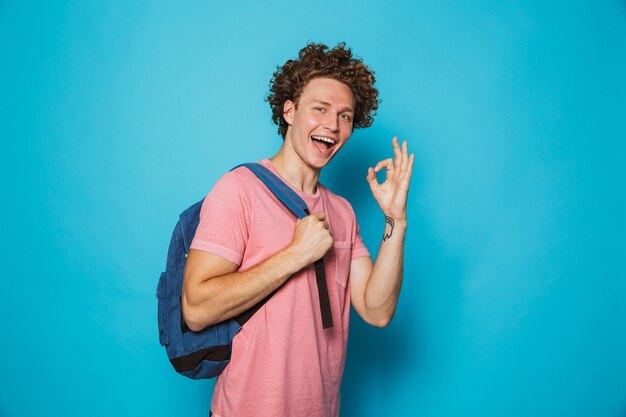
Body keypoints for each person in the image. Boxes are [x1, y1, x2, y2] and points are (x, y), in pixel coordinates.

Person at [182, 42, 414, 417]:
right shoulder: (239, 189)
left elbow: (377, 310)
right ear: (289, 111)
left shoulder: (342, 211)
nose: (332, 125)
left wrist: (395, 221)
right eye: (319, 109)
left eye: (345, 116)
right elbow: (195, 308)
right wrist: (295, 255)